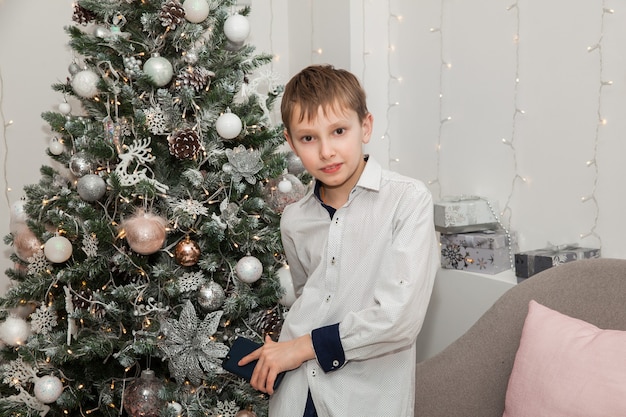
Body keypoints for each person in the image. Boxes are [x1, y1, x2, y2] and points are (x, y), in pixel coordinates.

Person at [239, 64, 439, 417]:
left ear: (366, 126)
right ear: (291, 142)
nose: (327, 151)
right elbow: (309, 300)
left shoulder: (408, 201)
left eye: (339, 131)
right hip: (296, 397)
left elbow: (399, 320)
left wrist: (302, 347)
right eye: (308, 138)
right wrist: (286, 351)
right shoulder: (294, 218)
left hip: (365, 400)